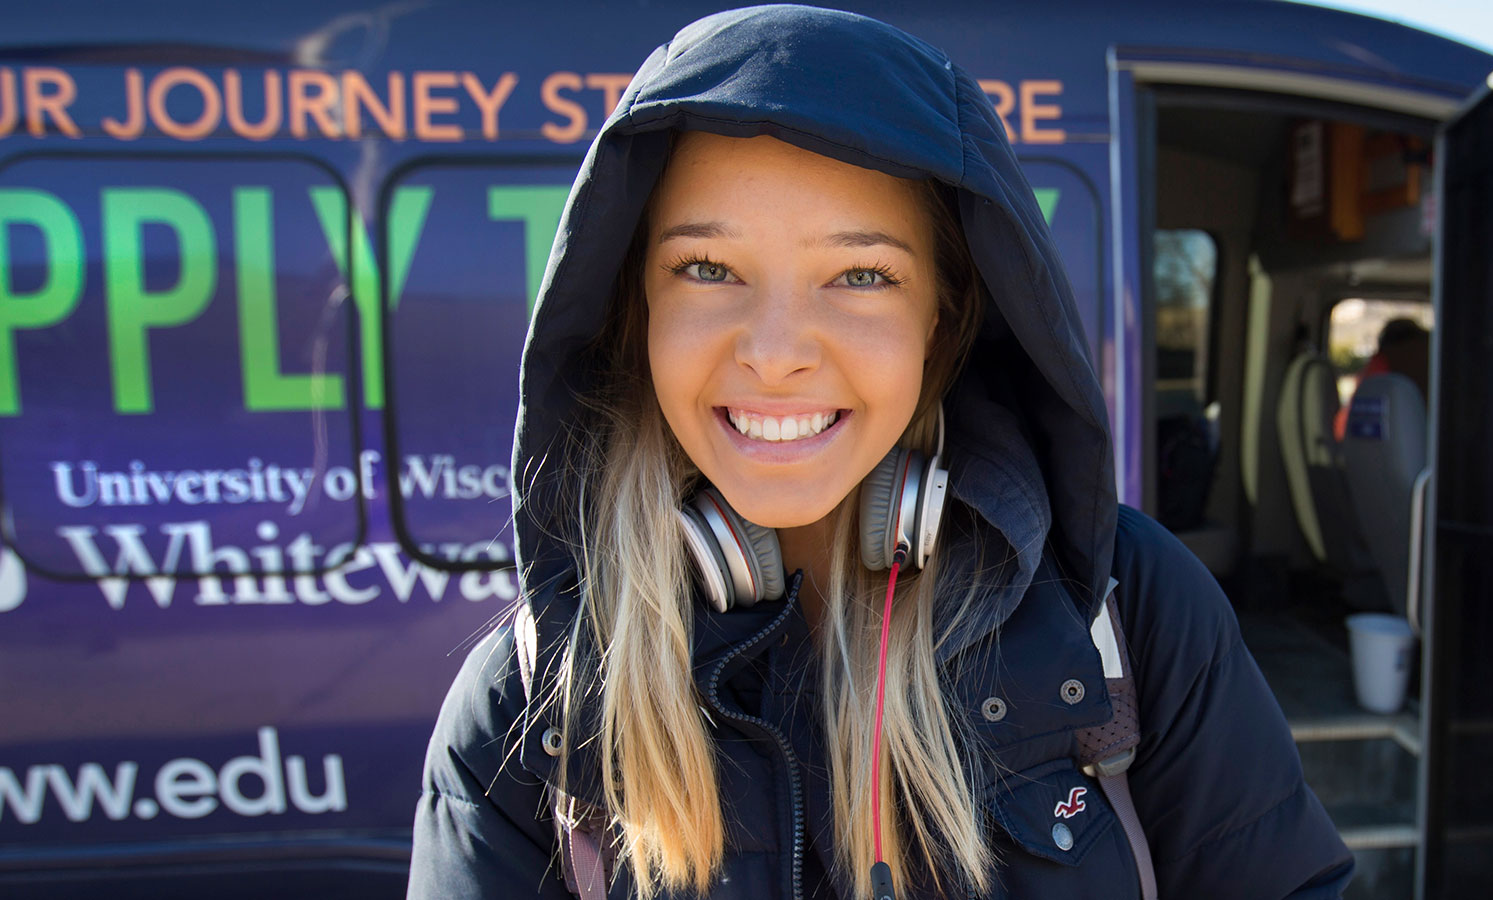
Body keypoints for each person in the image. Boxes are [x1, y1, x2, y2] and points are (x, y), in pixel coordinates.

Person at [406, 7, 1352, 899]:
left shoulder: (1128, 613)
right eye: (706, 268)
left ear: (940, 322)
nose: (775, 353)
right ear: (635, 309)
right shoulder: (525, 709)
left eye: (862, 275)